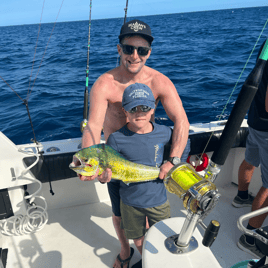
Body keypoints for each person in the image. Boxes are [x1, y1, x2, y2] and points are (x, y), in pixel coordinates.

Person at [80, 19, 190, 268]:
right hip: (114, 164)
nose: (134, 55)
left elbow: (182, 120)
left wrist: (173, 160)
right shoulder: (104, 84)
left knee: (150, 210)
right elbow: (93, 127)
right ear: (119, 49)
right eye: (129, 48)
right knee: (119, 213)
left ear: (149, 52)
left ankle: (151, 253)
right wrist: (89, 159)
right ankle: (125, 250)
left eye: (141, 50)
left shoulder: (160, 82)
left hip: (148, 159)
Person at [106, 83, 191, 268]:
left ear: (153, 109)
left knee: (162, 234)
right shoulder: (115, 139)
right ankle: (148, 260)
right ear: (124, 111)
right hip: (129, 203)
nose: (139, 112)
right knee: (137, 236)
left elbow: (185, 145)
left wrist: (173, 163)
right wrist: (105, 176)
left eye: (144, 107)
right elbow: (111, 173)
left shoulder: (165, 133)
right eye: (133, 108)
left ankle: (158, 261)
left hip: (158, 200)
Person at [232, 39, 268, 259]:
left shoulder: (266, 44)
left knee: (250, 161)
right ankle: (249, 237)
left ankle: (241, 197)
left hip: (255, 122)